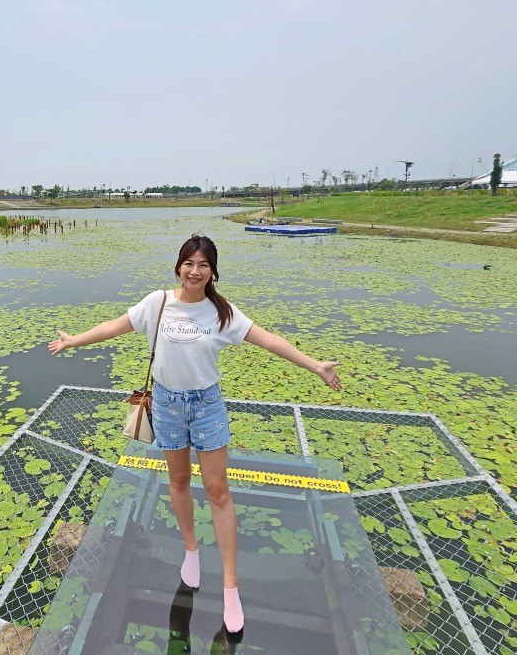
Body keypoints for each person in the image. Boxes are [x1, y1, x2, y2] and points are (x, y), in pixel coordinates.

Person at [48, 233, 341, 634]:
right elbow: (114, 326)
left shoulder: (222, 313)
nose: (195, 271)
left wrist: (315, 365)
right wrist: (72, 341)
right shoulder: (158, 303)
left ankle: (230, 584)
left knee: (219, 491)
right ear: (178, 266)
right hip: (166, 406)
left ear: (212, 271)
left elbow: (269, 340)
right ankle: (191, 551)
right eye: (189, 263)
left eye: (203, 264)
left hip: (207, 407)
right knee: (179, 481)